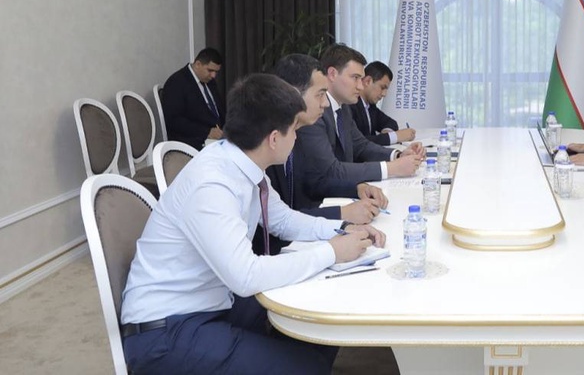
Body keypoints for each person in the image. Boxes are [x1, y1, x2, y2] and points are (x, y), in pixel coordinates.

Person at [120, 73, 386, 374]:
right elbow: (245, 276)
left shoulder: (241, 162)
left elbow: (282, 219)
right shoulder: (213, 185)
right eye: (294, 130)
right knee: (307, 365)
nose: (296, 138)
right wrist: (332, 252)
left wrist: (341, 230)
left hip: (213, 300)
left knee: (321, 321)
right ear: (274, 138)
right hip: (167, 332)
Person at [251, 54, 390, 256]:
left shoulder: (295, 131)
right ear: (292, 95)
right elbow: (270, 229)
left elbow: (309, 183)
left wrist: (355, 190)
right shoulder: (264, 144)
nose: (325, 104)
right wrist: (339, 226)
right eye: (320, 94)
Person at [294, 44, 425, 212]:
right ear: (332, 74)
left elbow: (360, 145)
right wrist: (391, 168)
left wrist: (397, 155)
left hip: (343, 194)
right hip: (316, 206)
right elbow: (331, 170)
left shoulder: (343, 108)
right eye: (355, 78)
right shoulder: (315, 112)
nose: (361, 86)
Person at [160, 47, 226, 149]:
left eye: (216, 72)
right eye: (210, 70)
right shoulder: (177, 82)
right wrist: (207, 132)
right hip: (193, 140)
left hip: (217, 137)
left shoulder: (210, 82)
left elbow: (219, 109)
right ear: (198, 64)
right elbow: (173, 120)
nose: (213, 76)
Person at [347, 61, 416, 146]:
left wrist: (387, 132)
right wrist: (395, 136)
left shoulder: (370, 106)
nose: (384, 94)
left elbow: (390, 122)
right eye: (382, 88)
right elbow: (358, 142)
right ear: (367, 81)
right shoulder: (349, 105)